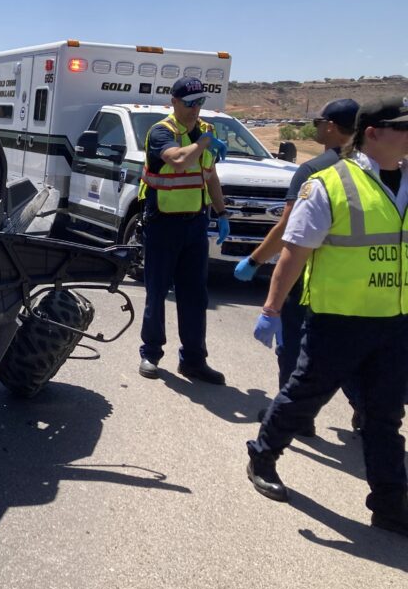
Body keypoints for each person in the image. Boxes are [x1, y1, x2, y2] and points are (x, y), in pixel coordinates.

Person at [246, 96, 408, 537]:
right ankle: (262, 454)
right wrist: (272, 309)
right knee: (303, 397)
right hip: (337, 319)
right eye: (403, 127)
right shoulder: (328, 184)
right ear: (373, 133)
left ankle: (391, 505)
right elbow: (293, 254)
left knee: (384, 416)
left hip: (395, 323)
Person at [233, 99, 360, 434]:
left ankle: (294, 416)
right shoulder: (372, 169)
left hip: (309, 277)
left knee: (293, 346)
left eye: (318, 122)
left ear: (331, 126)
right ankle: (365, 409)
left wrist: (255, 259)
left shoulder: (314, 169)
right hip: (358, 281)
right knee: (353, 349)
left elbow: (289, 229)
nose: (316, 128)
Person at [137, 76, 230, 384]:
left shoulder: (207, 131)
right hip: (163, 221)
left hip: (195, 223)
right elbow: (177, 161)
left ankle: (193, 360)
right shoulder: (162, 132)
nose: (195, 110)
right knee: (157, 290)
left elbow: (210, 175)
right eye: (190, 104)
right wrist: (202, 142)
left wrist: (222, 212)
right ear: (174, 102)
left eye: (200, 103)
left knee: (195, 295)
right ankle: (150, 354)